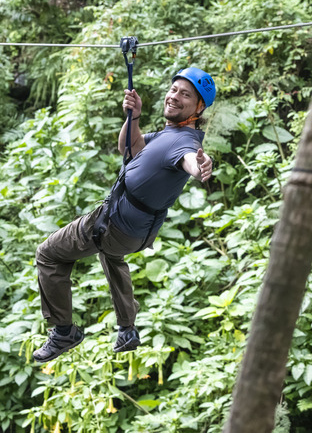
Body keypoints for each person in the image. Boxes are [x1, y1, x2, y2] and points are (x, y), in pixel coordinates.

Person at [33, 67, 217, 363]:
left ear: (199, 107)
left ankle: (64, 330)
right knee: (111, 255)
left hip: (112, 224)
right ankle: (127, 328)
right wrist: (134, 115)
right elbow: (129, 148)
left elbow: (192, 162)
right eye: (174, 90)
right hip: (133, 233)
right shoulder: (167, 135)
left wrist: (202, 166)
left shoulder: (186, 142)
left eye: (185, 94)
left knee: (48, 253)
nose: (174, 97)